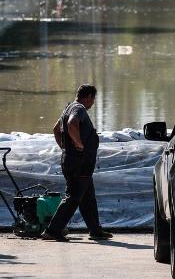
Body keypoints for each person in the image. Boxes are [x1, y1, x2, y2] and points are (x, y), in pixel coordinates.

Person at [42, 84, 112, 241]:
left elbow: (55, 129)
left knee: (88, 197)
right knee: (73, 197)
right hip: (79, 163)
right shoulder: (78, 109)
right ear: (88, 97)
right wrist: (79, 145)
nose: (92, 104)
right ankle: (52, 230)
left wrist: (65, 148)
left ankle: (95, 230)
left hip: (75, 161)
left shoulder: (69, 108)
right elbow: (71, 124)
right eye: (93, 100)